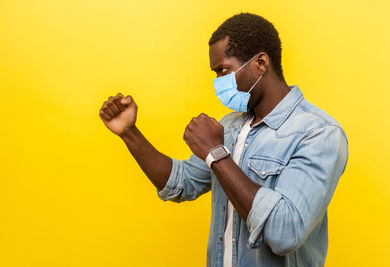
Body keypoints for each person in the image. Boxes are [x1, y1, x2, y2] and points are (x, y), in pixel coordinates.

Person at [99, 12, 349, 267]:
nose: (218, 82)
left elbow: (284, 233)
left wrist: (215, 152)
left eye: (224, 70)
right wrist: (129, 132)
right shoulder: (230, 126)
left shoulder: (318, 132)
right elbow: (180, 184)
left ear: (260, 63)